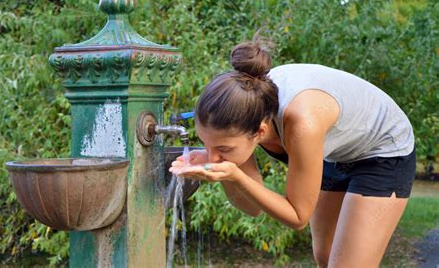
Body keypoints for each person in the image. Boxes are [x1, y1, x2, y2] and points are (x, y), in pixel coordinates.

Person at [169, 36, 416, 268]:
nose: (212, 156)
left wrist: (234, 175)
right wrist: (224, 167)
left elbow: (298, 217)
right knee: (326, 256)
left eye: (223, 149)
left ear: (260, 131)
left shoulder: (301, 123)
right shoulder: (245, 108)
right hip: (338, 148)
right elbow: (252, 208)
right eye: (206, 143)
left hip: (384, 149)